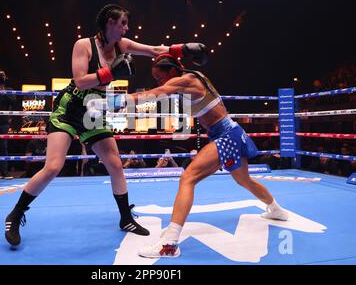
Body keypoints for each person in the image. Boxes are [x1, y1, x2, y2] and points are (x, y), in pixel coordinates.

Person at [4, 3, 209, 246]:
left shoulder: (122, 45)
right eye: (122, 23)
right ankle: (15, 214)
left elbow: (155, 49)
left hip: (95, 107)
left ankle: (125, 218)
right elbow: (80, 81)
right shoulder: (84, 45)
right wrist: (111, 73)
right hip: (71, 107)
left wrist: (182, 49)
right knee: (53, 166)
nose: (126, 28)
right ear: (109, 23)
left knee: (115, 165)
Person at [89, 54, 289, 258]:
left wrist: (111, 101)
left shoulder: (185, 80)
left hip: (226, 135)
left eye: (160, 77)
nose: (159, 81)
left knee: (188, 178)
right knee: (244, 180)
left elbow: (155, 93)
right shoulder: (192, 78)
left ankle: (169, 245)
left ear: (173, 71)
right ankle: (276, 210)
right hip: (229, 133)